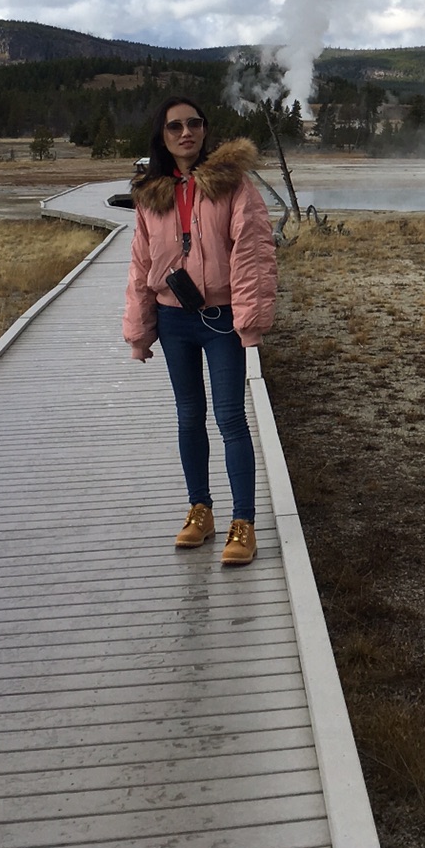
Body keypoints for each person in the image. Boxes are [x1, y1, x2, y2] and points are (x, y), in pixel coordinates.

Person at [122, 96, 278, 566]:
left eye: (194, 124)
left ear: (205, 130)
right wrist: (139, 331)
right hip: (174, 319)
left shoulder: (234, 185)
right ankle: (200, 511)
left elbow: (252, 254)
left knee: (230, 418)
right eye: (175, 127)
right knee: (189, 416)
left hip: (221, 318)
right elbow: (140, 264)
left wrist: (248, 323)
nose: (185, 133)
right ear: (162, 136)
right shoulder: (151, 193)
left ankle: (243, 523)